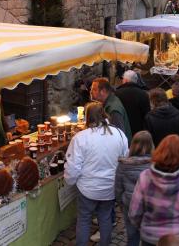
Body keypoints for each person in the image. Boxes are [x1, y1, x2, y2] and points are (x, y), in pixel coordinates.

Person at [64, 102, 129, 246]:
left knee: (84, 219)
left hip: (88, 189)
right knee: (105, 218)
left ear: (88, 117)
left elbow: (73, 167)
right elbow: (125, 160)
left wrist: (70, 180)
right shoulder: (119, 134)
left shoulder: (81, 138)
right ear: (104, 114)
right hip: (109, 188)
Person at [128, 134, 179, 245]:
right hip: (177, 241)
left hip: (149, 239)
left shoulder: (144, 177)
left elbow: (134, 213)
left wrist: (146, 228)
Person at [115, 131, 154, 246]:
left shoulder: (123, 164)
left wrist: (121, 203)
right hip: (149, 205)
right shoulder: (156, 164)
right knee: (149, 238)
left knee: (132, 236)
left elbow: (118, 188)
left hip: (130, 204)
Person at [91, 77, 132, 142]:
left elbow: (119, 135)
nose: (91, 92)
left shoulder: (113, 109)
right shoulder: (109, 101)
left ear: (103, 91)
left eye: (94, 89)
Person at [115, 70, 151, 136]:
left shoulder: (117, 94)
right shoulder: (143, 94)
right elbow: (147, 114)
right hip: (138, 131)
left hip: (122, 129)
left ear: (125, 80)